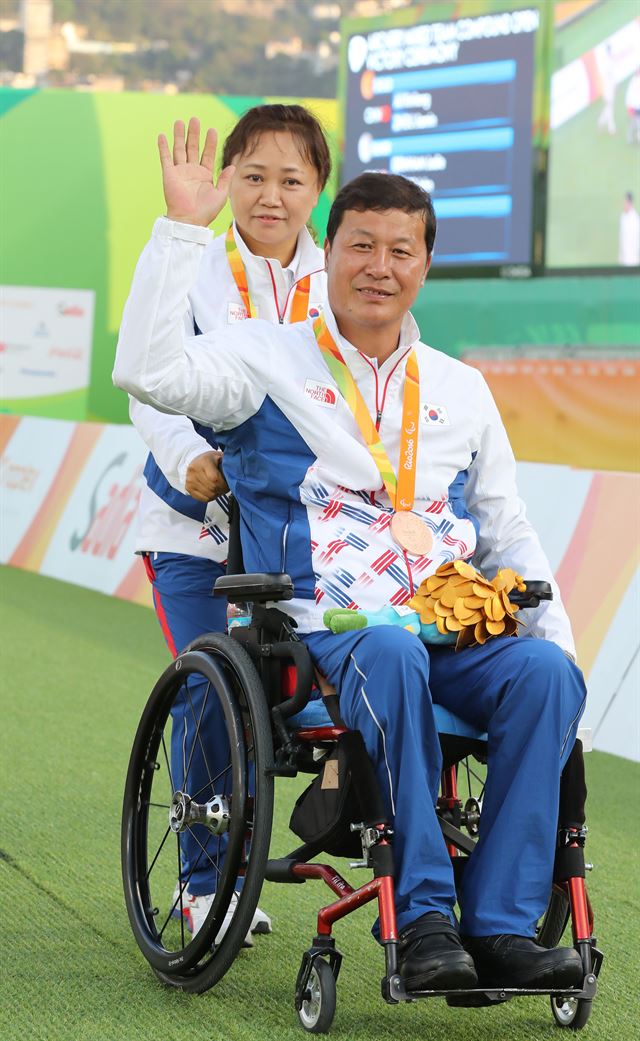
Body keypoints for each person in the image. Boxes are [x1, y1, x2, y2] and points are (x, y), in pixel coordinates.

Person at [114, 120, 586, 993]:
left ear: (424, 265)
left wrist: (554, 637)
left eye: (400, 250)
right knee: (393, 649)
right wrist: (181, 230)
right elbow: (148, 373)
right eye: (360, 244)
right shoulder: (265, 359)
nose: (380, 265)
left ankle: (505, 928)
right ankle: (427, 918)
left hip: (447, 629)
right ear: (326, 250)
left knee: (548, 677)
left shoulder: (459, 386)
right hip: (330, 638)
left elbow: (506, 527)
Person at [129, 106, 330, 940]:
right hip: (196, 526)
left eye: (291, 180)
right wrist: (191, 464)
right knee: (212, 693)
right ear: (228, 182)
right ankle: (204, 883)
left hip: (302, 532)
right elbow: (146, 384)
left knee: (309, 697)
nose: (271, 197)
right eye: (253, 176)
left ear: (319, 189)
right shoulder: (192, 264)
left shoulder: (344, 278)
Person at [597, 43, 616, 136]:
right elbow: (608, 77)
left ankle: (602, 122)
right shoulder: (607, 62)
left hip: (609, 87)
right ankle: (611, 128)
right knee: (609, 107)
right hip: (608, 88)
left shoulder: (608, 61)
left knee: (609, 107)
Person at [619, 191, 640, 266]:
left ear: (630, 203)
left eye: (626, 202)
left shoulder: (635, 219)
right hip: (624, 259)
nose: (624, 204)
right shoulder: (623, 217)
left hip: (634, 259)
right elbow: (622, 238)